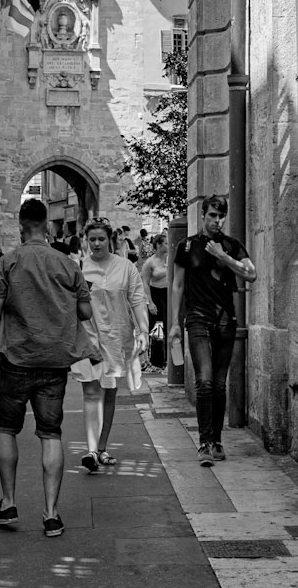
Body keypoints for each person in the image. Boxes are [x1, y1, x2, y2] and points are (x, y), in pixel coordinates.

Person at [0, 196, 100, 538]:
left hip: (15, 358)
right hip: (54, 362)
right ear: (47, 225)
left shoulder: (9, 263)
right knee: (51, 434)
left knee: (6, 430)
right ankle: (51, 514)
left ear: (20, 226)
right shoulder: (67, 265)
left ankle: (8, 502)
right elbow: (86, 313)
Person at [171, 195, 256, 467]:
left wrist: (223, 257)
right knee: (204, 381)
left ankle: (217, 441)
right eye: (212, 216)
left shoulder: (232, 246)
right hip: (197, 320)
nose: (216, 221)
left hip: (225, 322)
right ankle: (205, 443)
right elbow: (177, 286)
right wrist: (174, 322)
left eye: (220, 217)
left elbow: (251, 274)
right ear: (203, 215)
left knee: (219, 385)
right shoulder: (186, 247)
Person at [72, 218, 149, 472]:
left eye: (101, 239)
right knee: (91, 392)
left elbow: (137, 299)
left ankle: (102, 446)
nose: (96, 243)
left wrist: (144, 330)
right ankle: (92, 450)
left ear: (110, 240)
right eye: (92, 239)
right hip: (87, 339)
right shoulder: (79, 268)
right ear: (86, 240)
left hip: (117, 337)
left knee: (110, 391)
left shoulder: (126, 267)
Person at [142, 233, 170, 368]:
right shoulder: (150, 262)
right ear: (158, 245)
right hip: (156, 295)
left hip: (168, 294)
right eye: (165, 243)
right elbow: (145, 283)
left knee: (169, 325)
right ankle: (157, 361)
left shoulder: (170, 259)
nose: (168, 245)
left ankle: (170, 360)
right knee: (158, 327)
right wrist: (150, 302)